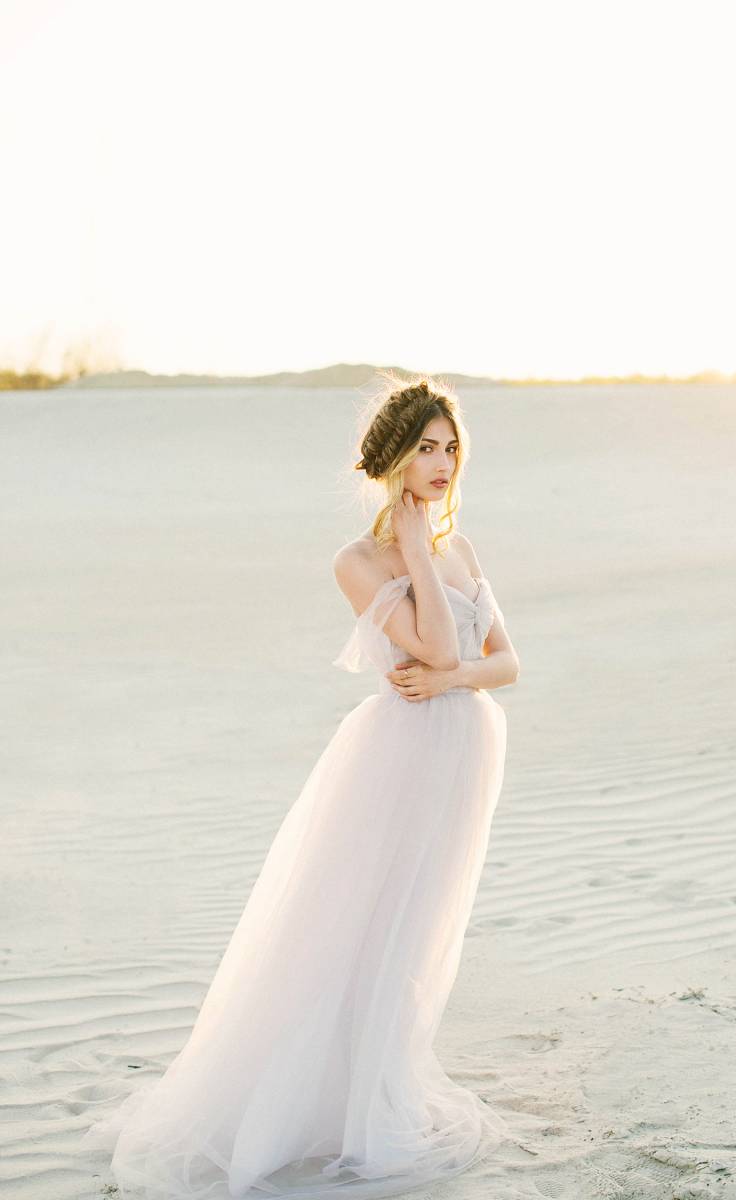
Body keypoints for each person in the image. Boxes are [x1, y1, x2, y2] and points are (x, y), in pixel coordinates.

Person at [80, 373, 520, 1200]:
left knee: (420, 930)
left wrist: (457, 671)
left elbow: (508, 664)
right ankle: (315, 1100)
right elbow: (427, 642)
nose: (442, 463)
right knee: (362, 923)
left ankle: (377, 1082)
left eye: (451, 448)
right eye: (425, 448)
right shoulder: (357, 560)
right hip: (400, 757)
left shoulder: (466, 548)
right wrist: (419, 557)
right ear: (390, 458)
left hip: (465, 751)